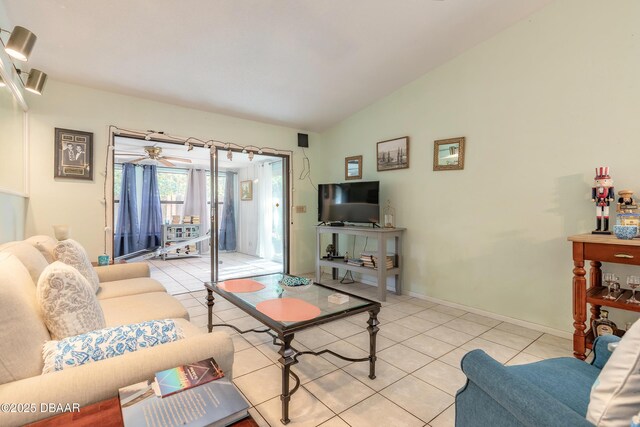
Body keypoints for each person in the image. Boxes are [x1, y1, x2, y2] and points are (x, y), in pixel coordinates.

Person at [592, 167, 614, 233]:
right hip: (598, 202)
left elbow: (612, 195)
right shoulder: (595, 189)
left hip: (606, 202)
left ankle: (606, 228)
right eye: (598, 181)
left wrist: (612, 198)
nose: (601, 183)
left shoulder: (610, 188)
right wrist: (593, 198)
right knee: (598, 214)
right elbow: (593, 195)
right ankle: (598, 228)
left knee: (606, 214)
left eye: (604, 181)